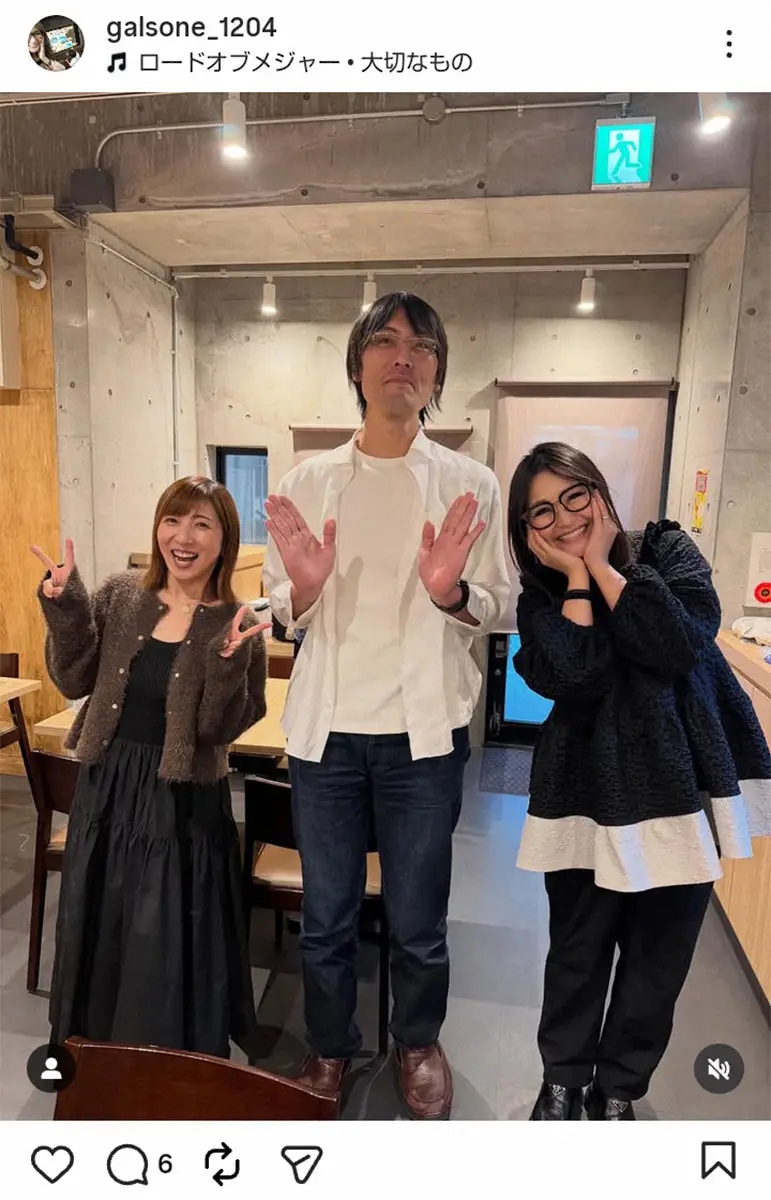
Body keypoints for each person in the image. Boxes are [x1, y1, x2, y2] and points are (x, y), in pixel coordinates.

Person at [262, 292, 511, 1118]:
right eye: (385, 340)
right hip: (326, 735)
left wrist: (451, 593)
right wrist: (301, 591)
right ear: (358, 362)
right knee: (327, 914)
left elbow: (501, 604)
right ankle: (330, 1048)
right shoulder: (306, 481)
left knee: (418, 916)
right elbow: (280, 607)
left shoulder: (471, 484)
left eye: (422, 345)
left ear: (436, 372)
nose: (403, 356)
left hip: (423, 737)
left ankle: (417, 1042)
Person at [507, 442, 771, 1120]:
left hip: (682, 795)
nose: (565, 517)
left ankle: (619, 1087)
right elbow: (573, 675)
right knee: (577, 947)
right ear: (527, 530)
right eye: (542, 511)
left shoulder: (667, 551)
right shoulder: (539, 602)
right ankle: (563, 1080)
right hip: (583, 795)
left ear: (599, 491)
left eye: (574, 495)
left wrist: (600, 565)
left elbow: (675, 644)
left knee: (659, 957)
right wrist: (575, 578)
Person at [32, 476, 270, 1059]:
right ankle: (95, 1054)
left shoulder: (237, 621)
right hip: (108, 788)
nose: (183, 537)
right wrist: (65, 607)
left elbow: (217, 731)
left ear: (225, 540)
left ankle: (167, 1063)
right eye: (173, 520)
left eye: (201, 524)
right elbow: (75, 678)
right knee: (101, 919)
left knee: (164, 933)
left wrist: (228, 663)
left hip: (182, 800)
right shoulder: (119, 595)